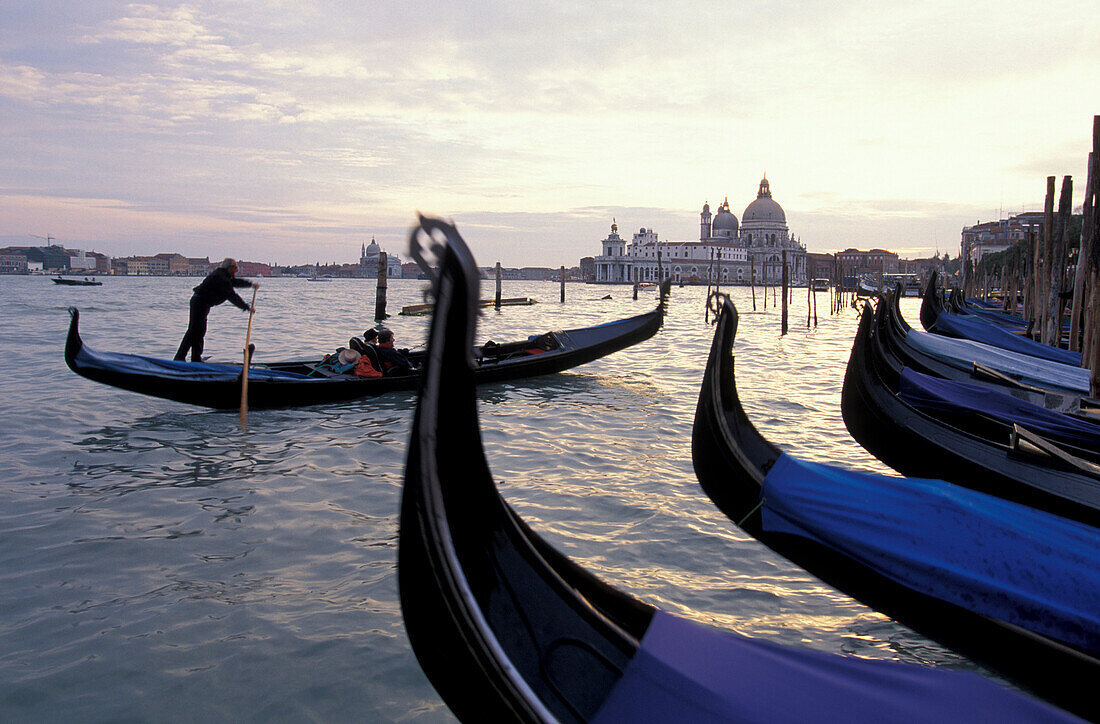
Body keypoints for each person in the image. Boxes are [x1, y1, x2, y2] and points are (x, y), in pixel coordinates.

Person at [174, 258, 257, 362]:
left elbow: (234, 282)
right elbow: (231, 295)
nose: (237, 270)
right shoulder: (221, 278)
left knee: (200, 331)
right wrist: (246, 307)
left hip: (203, 304)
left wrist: (250, 284)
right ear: (229, 267)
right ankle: (180, 358)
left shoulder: (225, 276)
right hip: (199, 302)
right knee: (194, 331)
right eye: (235, 267)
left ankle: (195, 358)